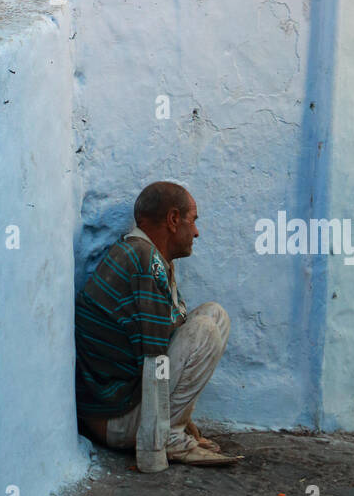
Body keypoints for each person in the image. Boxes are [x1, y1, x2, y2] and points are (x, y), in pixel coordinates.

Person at [75, 181, 240, 467]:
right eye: (193, 221)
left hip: (121, 411)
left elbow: (166, 339)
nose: (197, 232)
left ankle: (174, 428)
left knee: (214, 315)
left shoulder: (147, 257)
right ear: (174, 220)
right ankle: (169, 438)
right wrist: (152, 452)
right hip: (115, 421)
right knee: (205, 331)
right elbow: (155, 359)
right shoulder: (143, 262)